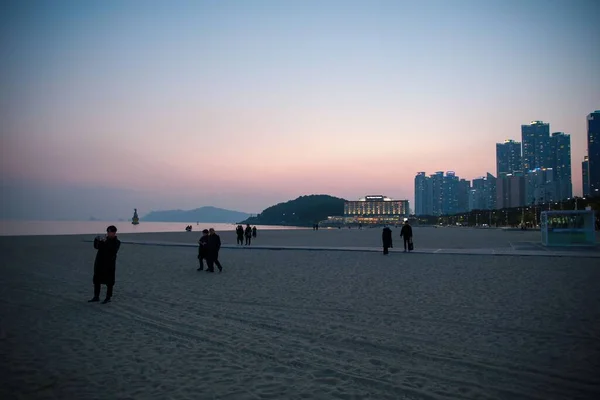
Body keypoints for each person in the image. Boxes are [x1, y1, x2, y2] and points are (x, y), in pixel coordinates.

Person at [89, 225, 121, 304]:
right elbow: (96, 247)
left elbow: (113, 250)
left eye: (110, 232)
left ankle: (108, 297)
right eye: (108, 232)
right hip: (100, 262)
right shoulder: (104, 240)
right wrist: (97, 240)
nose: (109, 233)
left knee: (109, 281)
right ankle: (96, 296)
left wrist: (105, 242)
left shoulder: (117, 242)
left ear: (114, 233)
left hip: (109, 264)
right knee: (97, 280)